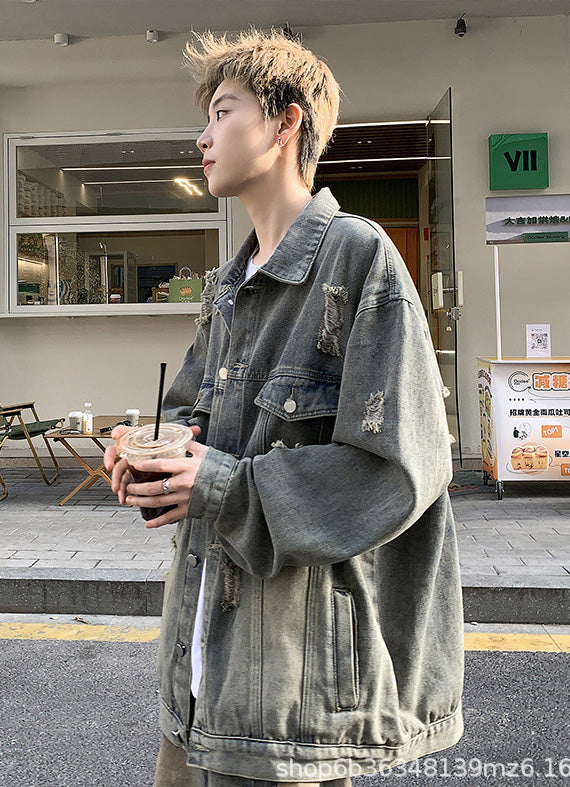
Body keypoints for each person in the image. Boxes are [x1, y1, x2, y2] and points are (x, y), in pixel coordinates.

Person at [104, 27, 464, 787]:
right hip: (197, 680)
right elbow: (192, 423)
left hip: (290, 695)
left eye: (223, 111)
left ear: (285, 122)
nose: (202, 137)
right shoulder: (226, 286)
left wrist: (218, 484)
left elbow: (399, 469)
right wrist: (149, 456)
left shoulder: (358, 259)